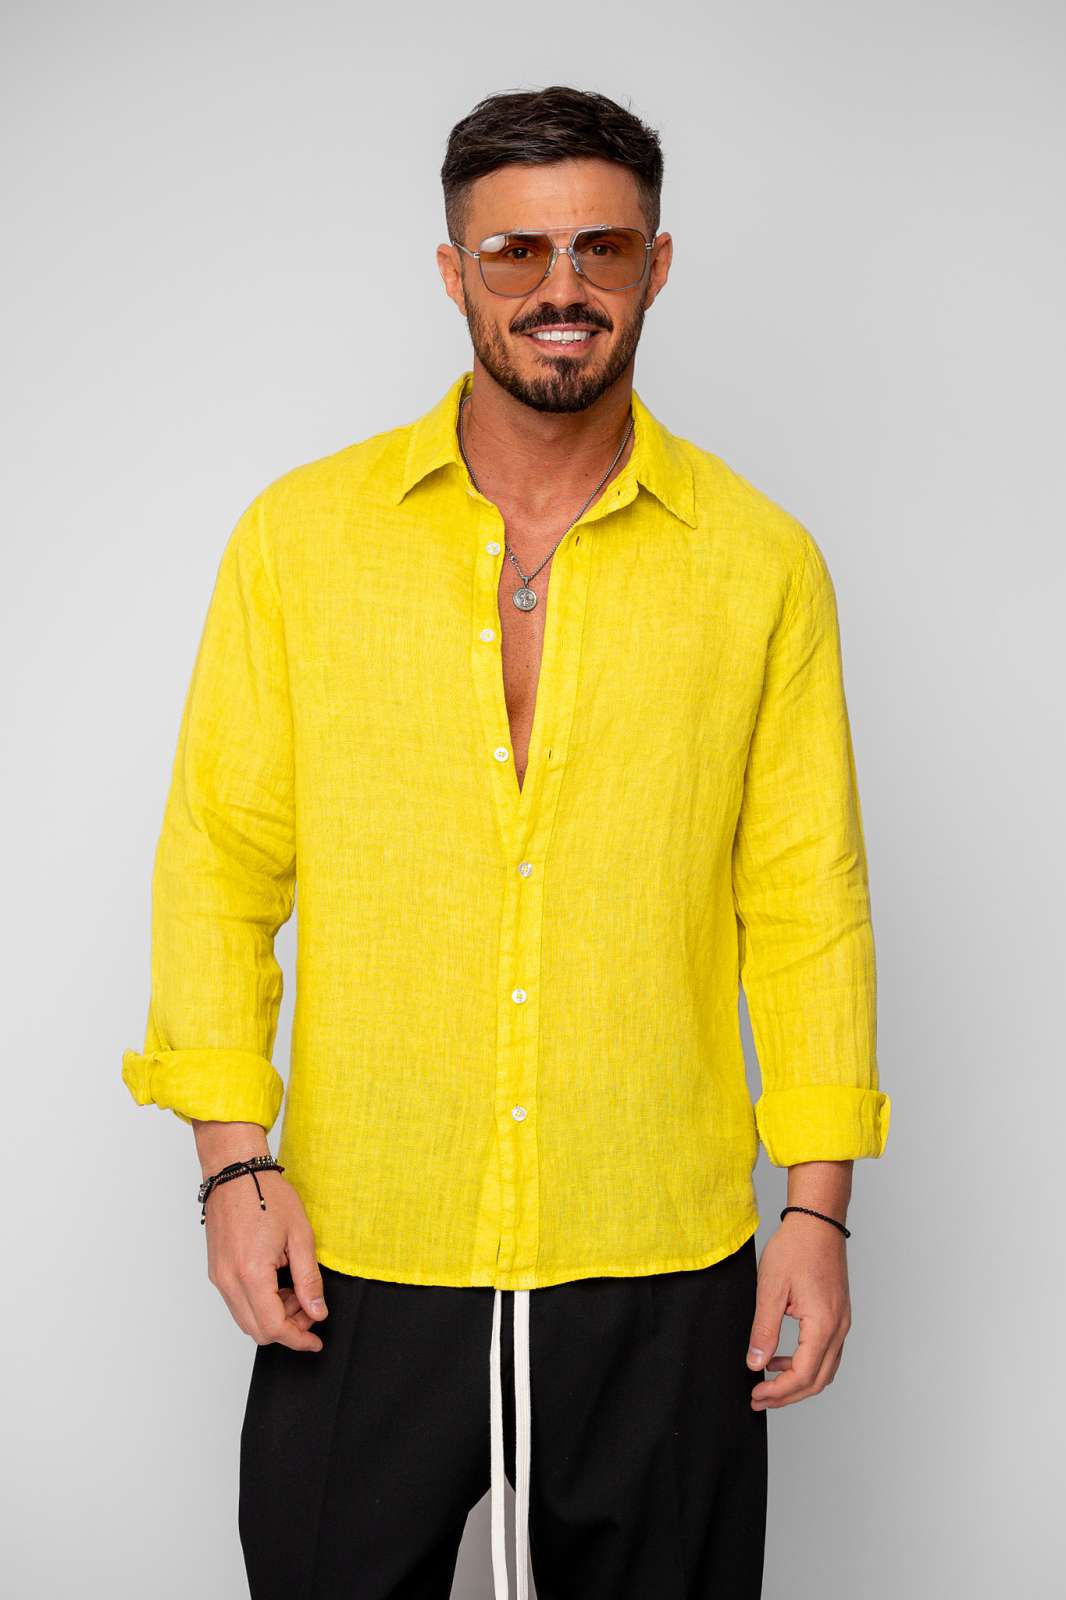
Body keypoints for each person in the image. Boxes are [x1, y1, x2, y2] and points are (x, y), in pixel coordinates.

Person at [123, 86, 889, 1600]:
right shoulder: (302, 539)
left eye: (600, 247)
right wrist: (231, 1168)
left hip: (657, 1252)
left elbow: (808, 902)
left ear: (655, 265)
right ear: (452, 270)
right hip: (363, 1245)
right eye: (515, 251)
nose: (560, 287)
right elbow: (219, 860)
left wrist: (815, 1211)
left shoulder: (759, 565)